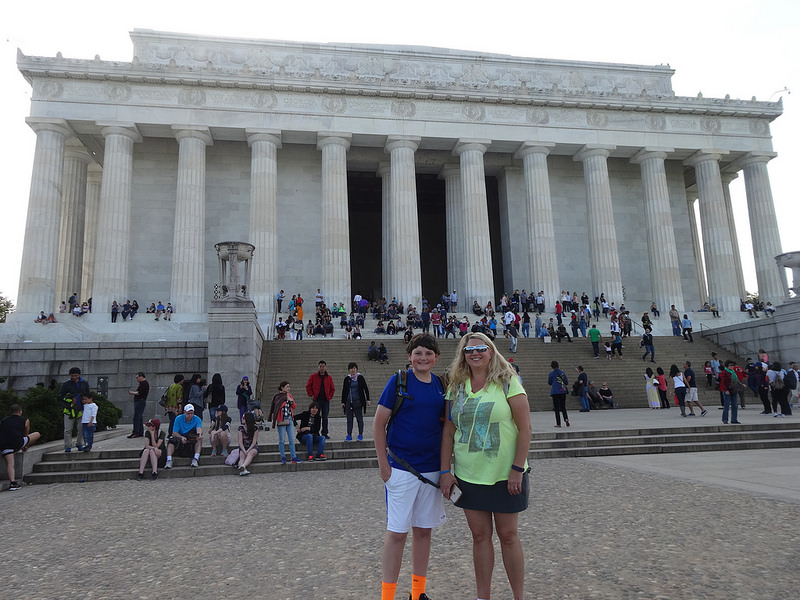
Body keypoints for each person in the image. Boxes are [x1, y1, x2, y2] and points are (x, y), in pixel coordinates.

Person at [440, 332, 530, 600]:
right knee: (479, 536)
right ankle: (483, 596)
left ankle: (518, 596)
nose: (475, 353)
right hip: (469, 474)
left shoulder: (508, 382)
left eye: (481, 348)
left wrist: (517, 469)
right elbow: (448, 431)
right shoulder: (455, 387)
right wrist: (446, 471)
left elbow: (525, 429)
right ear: (463, 355)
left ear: (491, 352)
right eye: (469, 350)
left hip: (505, 474)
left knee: (509, 535)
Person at [373, 333, 446, 600]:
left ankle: (418, 593)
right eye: (418, 353)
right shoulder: (399, 381)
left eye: (428, 353)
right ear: (409, 356)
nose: (423, 358)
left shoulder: (440, 384)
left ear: (436, 358)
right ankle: (387, 595)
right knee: (397, 533)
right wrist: (384, 465)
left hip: (431, 469)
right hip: (402, 468)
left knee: (424, 532)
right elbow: (379, 423)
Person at [1, 404, 41, 491]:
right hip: (18, 442)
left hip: (5, 445)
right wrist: (25, 445)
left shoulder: (4, 420)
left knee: (10, 464)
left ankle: (13, 483)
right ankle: (25, 446)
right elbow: (25, 434)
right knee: (37, 434)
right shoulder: (25, 420)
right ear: (20, 411)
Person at [270, 381, 301, 464]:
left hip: (290, 419)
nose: (289, 388)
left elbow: (294, 406)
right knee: (282, 440)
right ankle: (283, 456)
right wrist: (285, 400)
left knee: (291, 439)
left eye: (289, 387)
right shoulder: (277, 396)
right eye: (287, 386)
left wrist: (289, 398)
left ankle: (293, 456)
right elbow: (277, 406)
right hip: (281, 419)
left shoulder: (289, 395)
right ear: (282, 387)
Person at [60, 367, 89, 452]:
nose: (74, 377)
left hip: (81, 409)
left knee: (81, 428)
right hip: (69, 410)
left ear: (79, 375)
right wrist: (69, 400)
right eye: (72, 376)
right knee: (68, 429)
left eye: (76, 375)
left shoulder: (84, 384)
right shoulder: (66, 384)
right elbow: (61, 396)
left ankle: (79, 443)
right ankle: (68, 446)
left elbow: (88, 394)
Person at [166, 404, 202, 468]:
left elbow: (199, 429)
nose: (190, 415)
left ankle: (196, 459)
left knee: (199, 440)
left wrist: (199, 434)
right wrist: (181, 437)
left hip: (190, 437)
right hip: (180, 437)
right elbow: (174, 432)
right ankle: (169, 460)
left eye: (192, 413)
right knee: (171, 441)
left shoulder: (197, 419)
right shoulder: (178, 418)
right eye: (188, 413)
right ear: (184, 412)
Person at [305, 361, 335, 439]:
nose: (322, 368)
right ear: (318, 367)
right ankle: (315, 432)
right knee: (315, 417)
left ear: (325, 367)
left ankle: (324, 432)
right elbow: (308, 386)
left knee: (325, 417)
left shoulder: (329, 377)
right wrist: (311, 394)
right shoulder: (313, 376)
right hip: (316, 400)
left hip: (325, 400)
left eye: (323, 366)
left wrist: (330, 396)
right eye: (320, 366)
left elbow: (332, 388)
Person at [341, 362, 370, 441]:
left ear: (356, 369)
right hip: (348, 402)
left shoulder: (360, 377)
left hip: (358, 401)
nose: (353, 370)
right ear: (349, 370)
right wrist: (343, 401)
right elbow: (344, 390)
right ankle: (349, 435)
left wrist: (368, 399)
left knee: (359, 419)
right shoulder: (347, 379)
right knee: (349, 420)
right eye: (351, 368)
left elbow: (365, 388)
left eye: (354, 368)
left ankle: (360, 434)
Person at [236, 411, 259, 476]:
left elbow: (254, 441)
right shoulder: (240, 429)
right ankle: (242, 468)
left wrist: (248, 450)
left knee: (251, 454)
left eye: (243, 418)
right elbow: (240, 442)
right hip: (243, 446)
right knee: (242, 456)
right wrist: (243, 450)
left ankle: (243, 466)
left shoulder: (255, 429)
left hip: (252, 446)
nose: (242, 419)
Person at [127, 372, 149, 439]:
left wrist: (132, 393)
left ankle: (136, 432)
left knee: (136, 417)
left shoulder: (144, 384)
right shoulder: (143, 384)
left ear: (141, 377)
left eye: (137, 377)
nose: (137, 379)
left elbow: (139, 393)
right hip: (140, 401)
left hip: (140, 401)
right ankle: (140, 432)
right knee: (139, 417)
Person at [548, 360, 569, 427]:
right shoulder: (562, 372)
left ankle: (558, 423)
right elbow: (566, 382)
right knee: (563, 407)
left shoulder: (551, 373)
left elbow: (549, 382)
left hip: (555, 392)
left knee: (556, 408)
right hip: (562, 390)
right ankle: (566, 419)